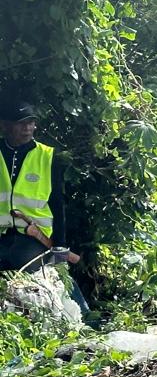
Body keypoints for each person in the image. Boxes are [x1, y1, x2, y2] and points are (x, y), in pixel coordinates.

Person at [0, 99, 83, 278]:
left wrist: (60, 244)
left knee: (30, 283)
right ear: (5, 126)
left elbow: (57, 202)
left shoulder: (47, 156)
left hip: (33, 237)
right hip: (2, 235)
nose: (27, 128)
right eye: (21, 123)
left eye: (31, 122)